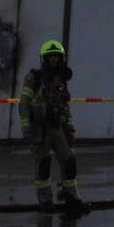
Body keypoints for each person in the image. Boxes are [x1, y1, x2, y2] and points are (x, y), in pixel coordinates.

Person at [19, 40, 89, 213]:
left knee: (68, 160)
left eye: (56, 56)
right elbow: (24, 104)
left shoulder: (61, 79)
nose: (54, 59)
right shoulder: (34, 78)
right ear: (44, 58)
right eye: (50, 56)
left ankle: (71, 197)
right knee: (43, 164)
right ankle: (45, 201)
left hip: (57, 127)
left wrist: (70, 128)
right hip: (39, 128)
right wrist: (26, 128)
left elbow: (64, 105)